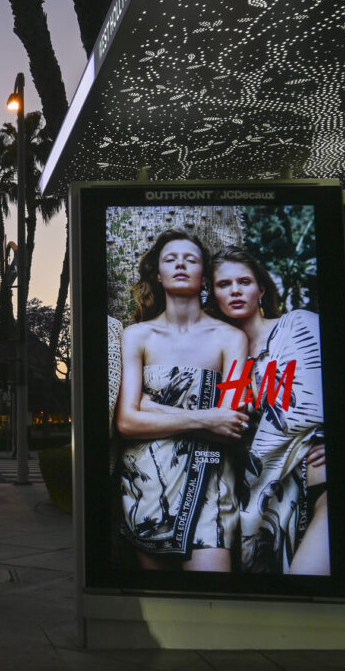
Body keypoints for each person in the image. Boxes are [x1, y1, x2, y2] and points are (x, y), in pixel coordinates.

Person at [116, 230, 249, 572]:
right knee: (160, 607)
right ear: (158, 274)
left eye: (190, 260)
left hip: (211, 485)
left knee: (213, 604)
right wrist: (206, 419)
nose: (180, 264)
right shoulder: (136, 337)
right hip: (146, 486)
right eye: (170, 259)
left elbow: (232, 426)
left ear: (203, 276)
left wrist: (150, 407)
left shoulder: (232, 339)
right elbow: (127, 423)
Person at [206, 245, 329, 575]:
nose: (235, 290)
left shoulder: (298, 327)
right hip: (253, 493)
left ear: (261, 289)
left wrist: (337, 436)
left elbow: (339, 389)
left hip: (317, 480)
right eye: (223, 284)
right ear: (212, 293)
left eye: (244, 281)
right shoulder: (218, 359)